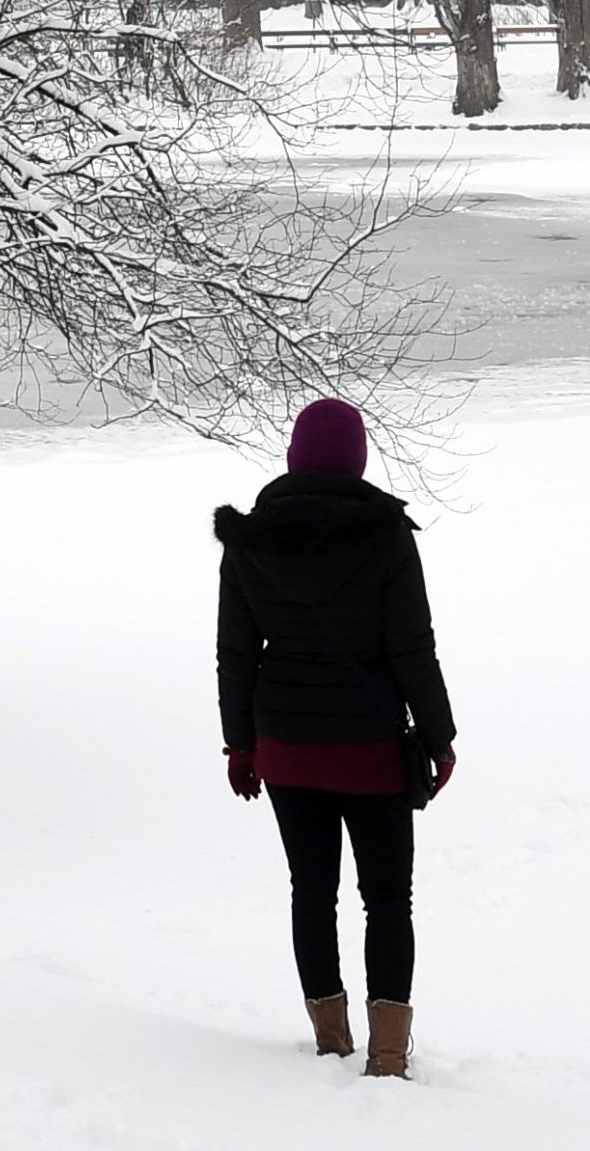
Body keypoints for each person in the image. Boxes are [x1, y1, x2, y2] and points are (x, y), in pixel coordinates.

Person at [215, 397, 458, 1078]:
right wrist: (438, 736)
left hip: (286, 744)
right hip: (371, 749)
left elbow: (235, 653)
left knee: (311, 889)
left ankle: (331, 1040)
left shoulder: (250, 539)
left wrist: (241, 743)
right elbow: (412, 646)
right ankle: (386, 1054)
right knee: (387, 899)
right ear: (357, 460)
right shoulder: (385, 534)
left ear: (294, 456)